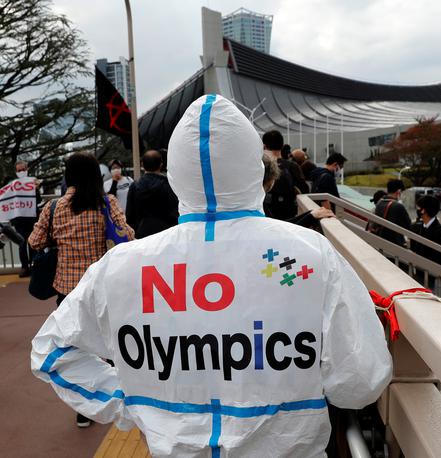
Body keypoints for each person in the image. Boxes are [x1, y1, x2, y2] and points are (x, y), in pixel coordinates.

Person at [30, 94, 392, 456]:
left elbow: (51, 352)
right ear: (256, 167)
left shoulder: (121, 266)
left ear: (175, 175)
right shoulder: (309, 255)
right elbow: (361, 382)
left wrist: (131, 401)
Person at [28, 152, 134, 427]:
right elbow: (128, 236)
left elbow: (34, 241)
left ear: (68, 175)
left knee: (74, 346)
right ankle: (122, 395)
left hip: (68, 289)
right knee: (110, 341)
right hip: (100, 285)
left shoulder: (54, 208)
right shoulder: (105, 202)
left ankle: (84, 409)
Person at [262, 152, 334, 226]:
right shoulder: (259, 204)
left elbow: (277, 225)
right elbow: (277, 231)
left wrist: (311, 214)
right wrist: (311, 216)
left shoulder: (258, 201)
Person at [125, 150, 179, 239]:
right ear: (161, 164)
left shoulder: (135, 186)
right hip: (166, 234)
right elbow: (175, 212)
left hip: (142, 235)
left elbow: (130, 215)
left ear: (142, 164)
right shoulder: (168, 185)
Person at [263, 131, 309, 220]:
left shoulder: (261, 166)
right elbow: (304, 189)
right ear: (282, 146)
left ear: (264, 146)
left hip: (266, 215)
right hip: (289, 215)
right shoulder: (292, 166)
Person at [5, 161, 41, 277]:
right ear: (16, 172)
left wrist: (35, 189)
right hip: (19, 220)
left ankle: (34, 265)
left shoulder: (32, 183)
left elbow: (38, 200)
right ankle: (25, 267)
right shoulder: (13, 185)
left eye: (23, 169)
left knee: (32, 243)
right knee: (21, 243)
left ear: (27, 169)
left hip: (32, 218)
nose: (21, 172)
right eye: (19, 170)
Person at [369, 179, 411, 246]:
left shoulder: (380, 203)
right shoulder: (398, 206)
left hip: (380, 240)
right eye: (402, 192)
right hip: (394, 245)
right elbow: (408, 226)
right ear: (399, 191)